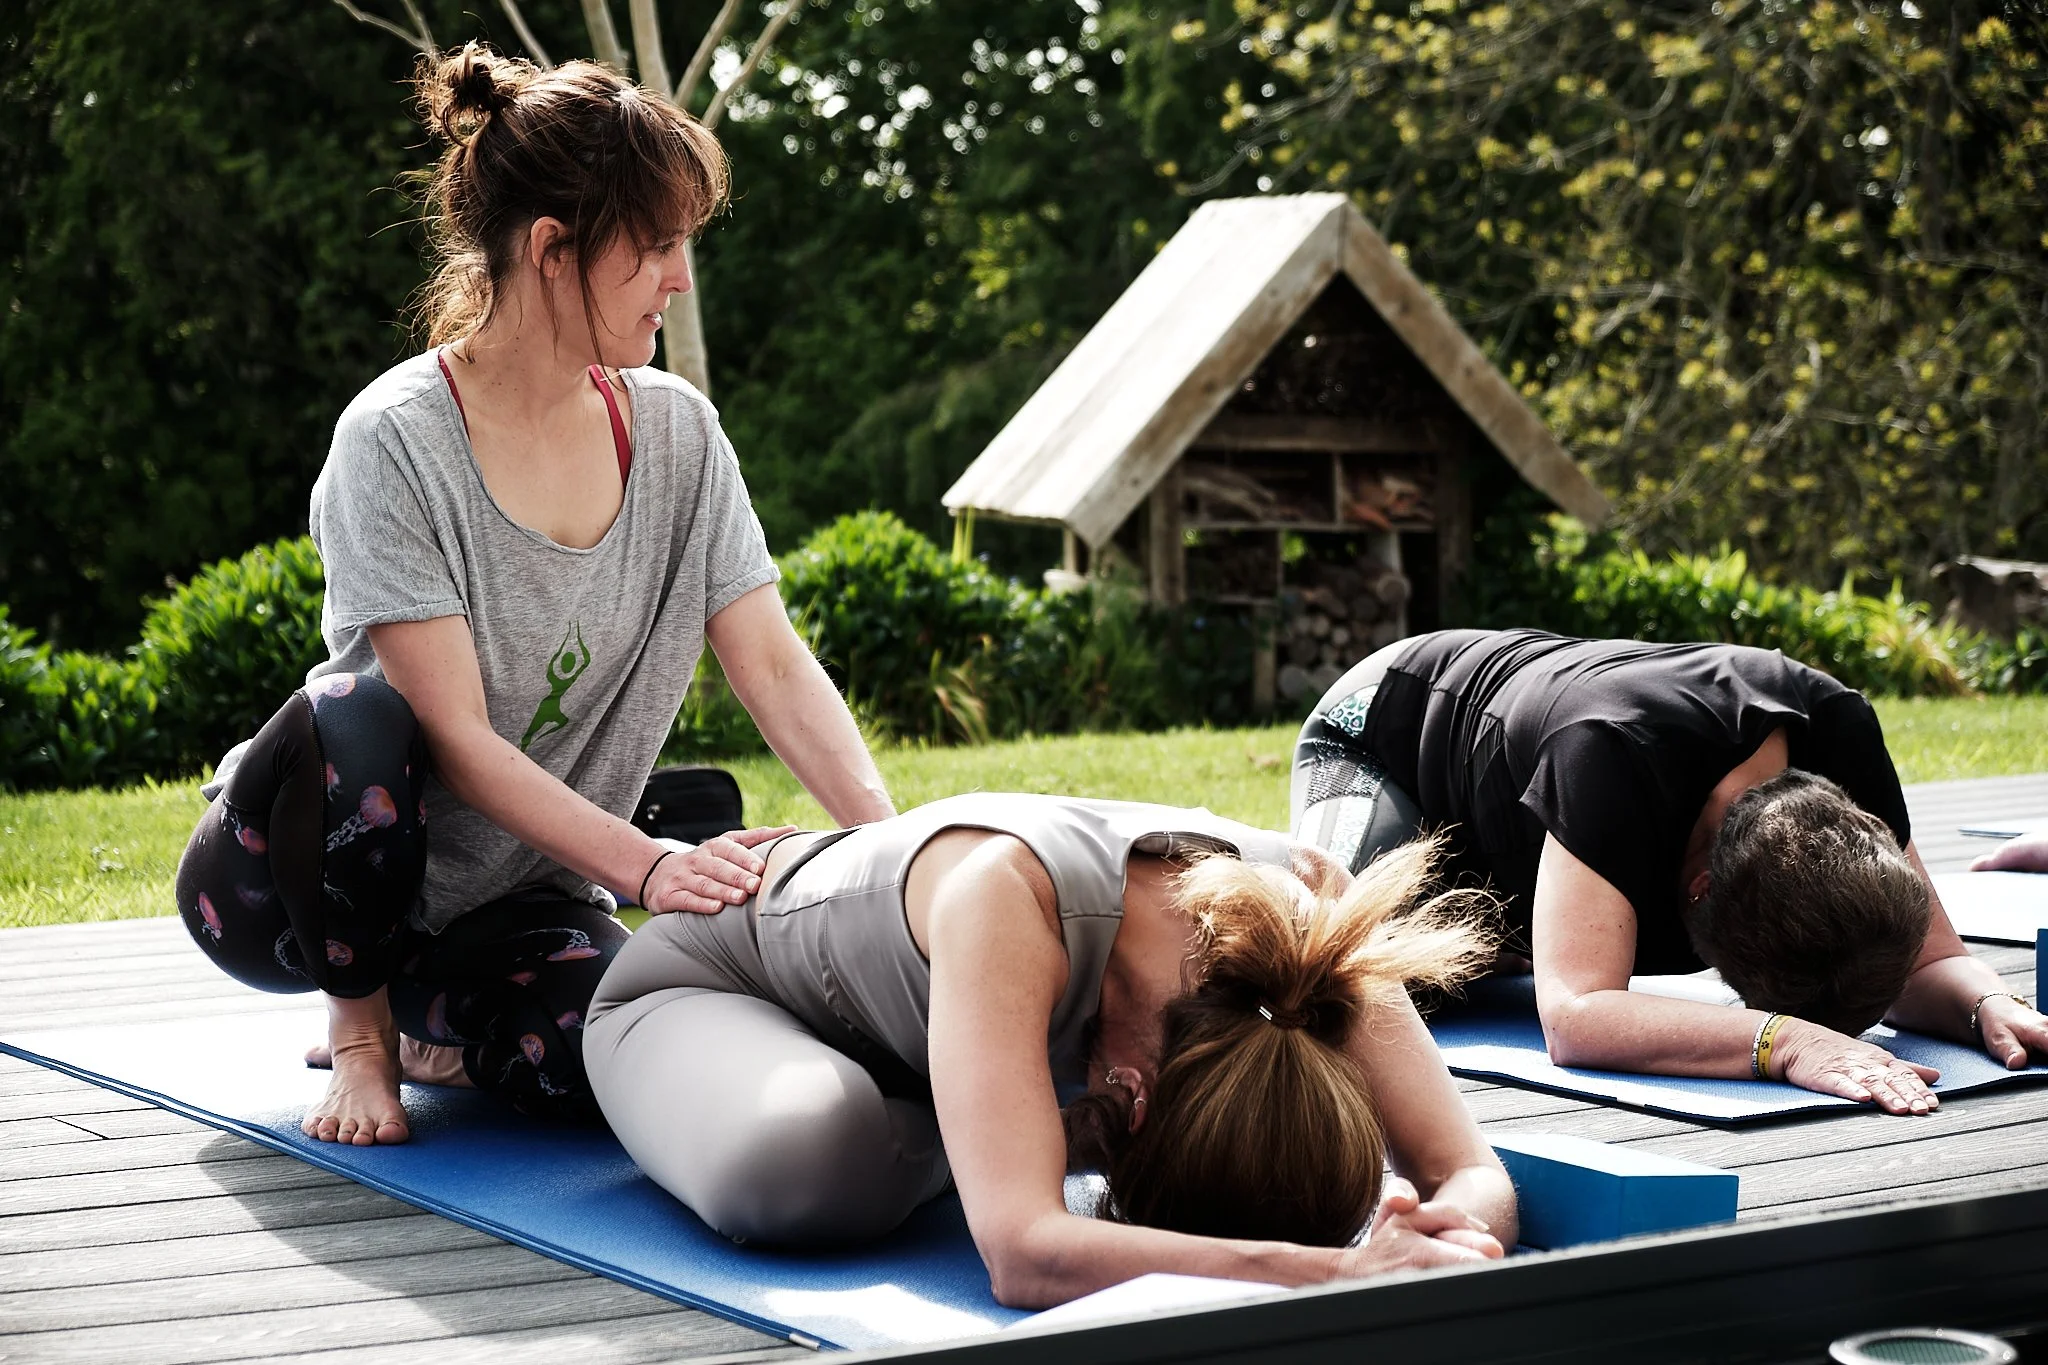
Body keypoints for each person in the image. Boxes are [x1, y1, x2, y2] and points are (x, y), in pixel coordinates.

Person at [173, 44, 892, 1148]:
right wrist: (652, 864)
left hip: (516, 908)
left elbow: (773, 663)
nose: (679, 278)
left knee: (604, 1061)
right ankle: (361, 1034)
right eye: (654, 247)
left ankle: (436, 1031)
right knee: (358, 718)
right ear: (553, 250)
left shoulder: (678, 436)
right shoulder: (395, 439)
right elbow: (451, 739)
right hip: (297, 890)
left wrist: (895, 861)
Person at [583, 794, 1516, 1309]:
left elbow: (1471, 1169)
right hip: (698, 992)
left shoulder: (1309, 928)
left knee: (880, 1135)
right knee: (807, 1156)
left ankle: (1002, 1128)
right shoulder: (1013, 896)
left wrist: (1449, 1238)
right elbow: (1024, 1256)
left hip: (901, 1051)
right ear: (1131, 1099)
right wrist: (1333, 1274)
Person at [1290, 628, 2048, 1115]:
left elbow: (1933, 960)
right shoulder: (1610, 755)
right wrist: (1785, 1042)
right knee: (1340, 982)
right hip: (1381, 729)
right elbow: (1577, 1016)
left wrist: (1987, 1002)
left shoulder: (1839, 737)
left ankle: (1502, 926)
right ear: (1698, 893)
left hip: (1537, 817)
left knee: (1469, 958)